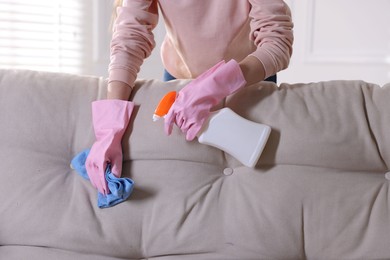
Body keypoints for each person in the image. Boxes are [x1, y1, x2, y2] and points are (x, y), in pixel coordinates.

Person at [86, 0, 294, 195]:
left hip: (248, 78)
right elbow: (129, 41)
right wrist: (109, 129)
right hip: (181, 79)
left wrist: (215, 85)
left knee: (254, 183)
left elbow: (277, 42)